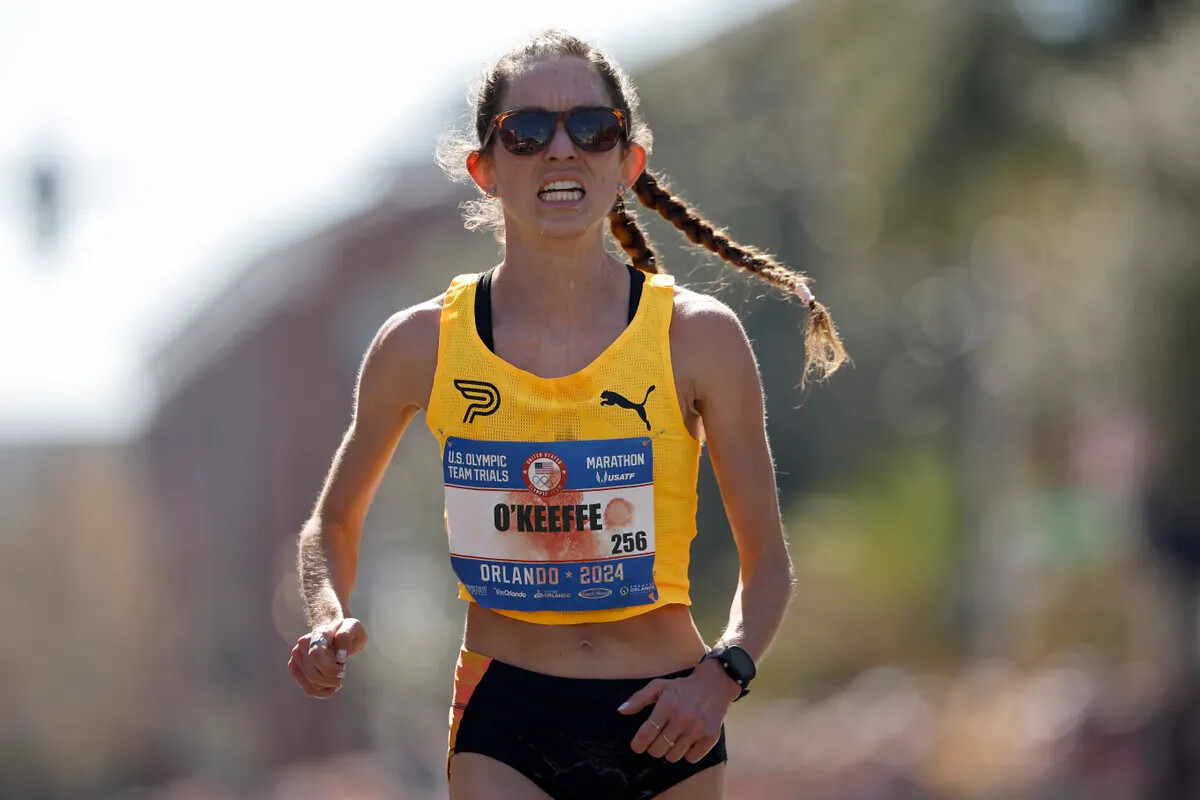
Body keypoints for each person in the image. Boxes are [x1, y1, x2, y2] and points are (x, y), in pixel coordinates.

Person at [286, 30, 846, 800]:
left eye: (591, 128)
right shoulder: (420, 343)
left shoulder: (699, 338)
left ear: (628, 163)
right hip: (503, 720)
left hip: (669, 714)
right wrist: (326, 615)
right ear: (484, 170)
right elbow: (332, 524)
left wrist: (724, 675)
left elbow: (769, 566)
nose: (560, 149)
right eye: (526, 131)